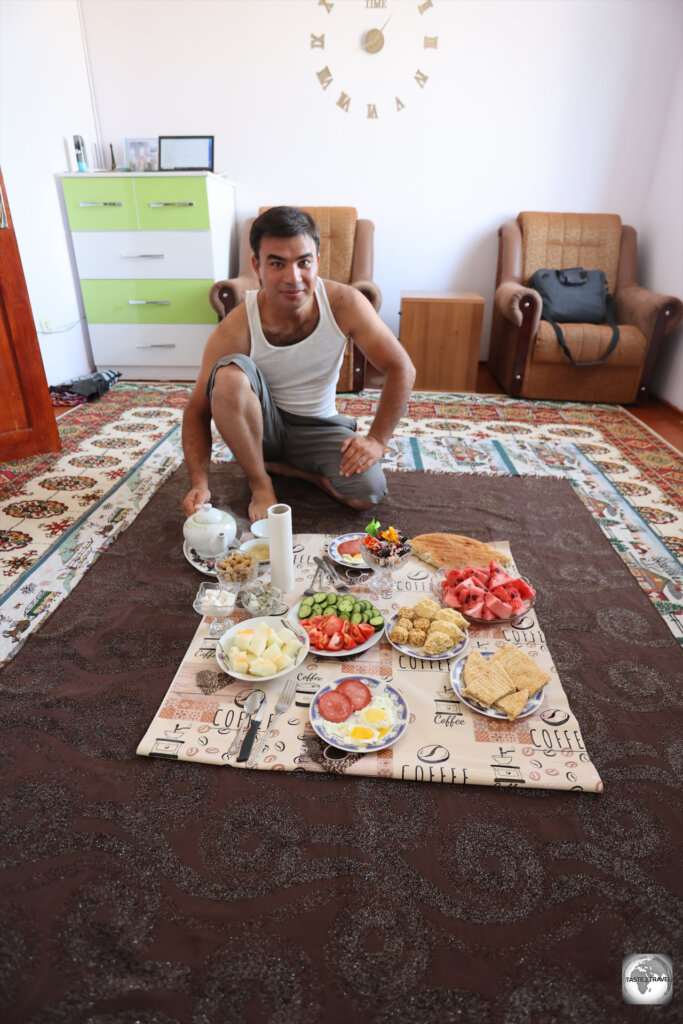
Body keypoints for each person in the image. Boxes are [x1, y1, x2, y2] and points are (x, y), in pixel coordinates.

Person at [181, 206, 416, 523]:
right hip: (262, 429)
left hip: (318, 427)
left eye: (304, 262)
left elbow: (402, 367)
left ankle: (287, 469)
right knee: (227, 378)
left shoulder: (345, 303)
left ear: (318, 261)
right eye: (277, 263)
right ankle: (261, 482)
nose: (293, 278)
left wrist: (376, 439)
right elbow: (197, 409)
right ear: (257, 265)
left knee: (366, 493)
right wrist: (200, 483)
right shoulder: (235, 327)